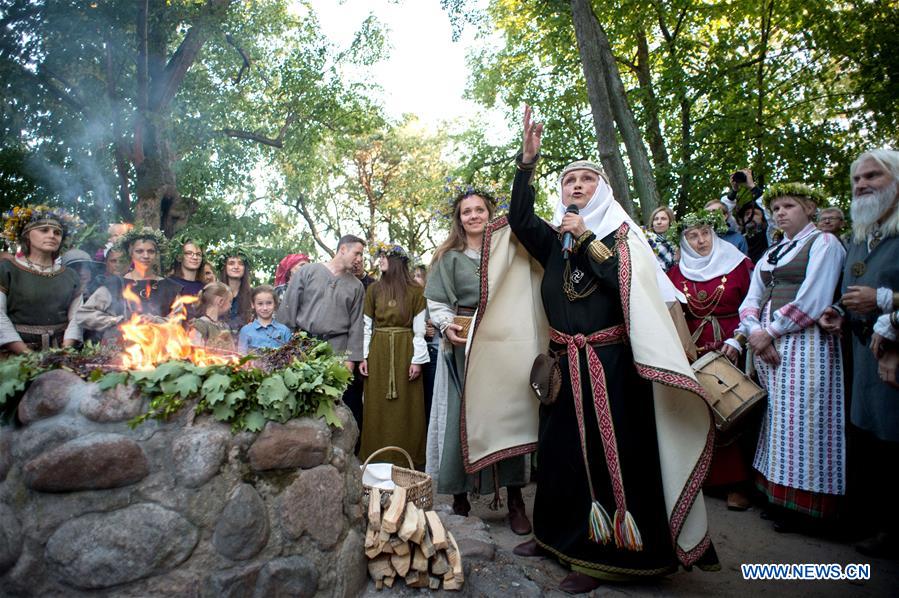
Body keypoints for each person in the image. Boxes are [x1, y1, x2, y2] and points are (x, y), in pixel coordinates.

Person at [503, 107, 715, 592]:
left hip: (612, 368)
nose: (575, 186)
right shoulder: (553, 241)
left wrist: (588, 239)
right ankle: (554, 535)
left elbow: (625, 286)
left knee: (606, 460)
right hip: (562, 364)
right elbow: (518, 218)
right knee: (558, 456)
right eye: (569, 181)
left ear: (603, 189)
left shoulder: (623, 237)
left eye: (585, 180)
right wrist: (527, 165)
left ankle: (601, 558)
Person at [722, 182, 846, 533]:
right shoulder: (776, 250)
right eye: (776, 208)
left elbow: (814, 296)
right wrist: (750, 328)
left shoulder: (824, 244)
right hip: (768, 346)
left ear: (809, 208)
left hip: (806, 343)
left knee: (808, 422)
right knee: (780, 422)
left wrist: (769, 332)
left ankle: (811, 509)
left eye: (788, 206)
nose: (779, 213)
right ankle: (780, 498)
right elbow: (752, 295)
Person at [424, 180, 532, 535]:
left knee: (508, 416)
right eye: (466, 211)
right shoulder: (448, 258)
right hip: (464, 347)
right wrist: (444, 325)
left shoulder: (509, 251)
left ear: (490, 214)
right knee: (462, 418)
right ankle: (460, 499)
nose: (473, 216)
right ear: (459, 218)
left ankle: (514, 498)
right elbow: (437, 302)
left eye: (479, 210)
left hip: (503, 346)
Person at [819, 149, 899, 556]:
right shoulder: (864, 235)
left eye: (873, 176)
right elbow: (850, 292)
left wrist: (887, 302)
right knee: (870, 439)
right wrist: (837, 310)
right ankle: (873, 522)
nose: (862, 184)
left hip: (893, 354)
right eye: (857, 179)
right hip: (860, 352)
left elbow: (879, 296)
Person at [667, 210, 755, 510]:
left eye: (705, 233)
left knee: (732, 409)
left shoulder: (739, 264)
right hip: (693, 347)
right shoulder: (676, 273)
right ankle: (703, 477)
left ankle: (738, 483)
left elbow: (755, 304)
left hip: (731, 345)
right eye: (692, 235)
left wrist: (739, 340)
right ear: (684, 240)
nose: (700, 240)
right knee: (698, 411)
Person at [358, 243, 428, 468]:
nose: (380, 261)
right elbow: (366, 325)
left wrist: (417, 360)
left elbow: (419, 330)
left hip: (405, 350)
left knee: (408, 405)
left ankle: (408, 460)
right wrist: (364, 357)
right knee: (376, 404)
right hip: (379, 352)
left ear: (397, 261)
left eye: (384, 257)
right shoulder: (374, 290)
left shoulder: (416, 291)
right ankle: (376, 459)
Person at [275, 234, 366, 373]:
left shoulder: (356, 286)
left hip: (336, 351)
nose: (359, 259)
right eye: (357, 253)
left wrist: (350, 359)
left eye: (361, 255)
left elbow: (356, 325)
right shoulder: (308, 271)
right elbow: (288, 310)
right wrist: (284, 347)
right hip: (304, 346)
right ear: (343, 249)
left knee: (333, 394)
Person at [0, 205, 84, 353]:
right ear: (27, 235)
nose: (52, 235)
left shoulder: (70, 275)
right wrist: (26, 354)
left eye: (57, 233)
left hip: (61, 354)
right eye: (44, 230)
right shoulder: (7, 269)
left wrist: (65, 351)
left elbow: (77, 318)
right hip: (15, 358)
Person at [76, 227, 182, 341]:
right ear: (131, 253)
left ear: (156, 254)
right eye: (139, 251)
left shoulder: (170, 287)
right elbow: (84, 315)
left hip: (157, 351)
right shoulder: (114, 284)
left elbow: (177, 323)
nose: (145, 256)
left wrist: (155, 321)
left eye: (150, 251)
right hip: (118, 352)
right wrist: (118, 321)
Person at [413, 263, 439, 425]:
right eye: (412, 276)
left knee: (430, 396)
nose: (415, 279)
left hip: (433, 352)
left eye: (418, 276)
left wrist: (433, 324)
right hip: (415, 353)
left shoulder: (432, 298)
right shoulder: (412, 299)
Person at [238, 285, 292, 354]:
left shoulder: (284, 330)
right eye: (260, 304)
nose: (265, 308)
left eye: (269, 303)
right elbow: (241, 358)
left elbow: (290, 357)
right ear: (253, 305)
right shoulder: (246, 331)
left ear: (275, 303)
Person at [188, 282, 235, 352]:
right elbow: (195, 352)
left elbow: (232, 352)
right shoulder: (200, 325)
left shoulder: (225, 326)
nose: (231, 306)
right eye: (230, 302)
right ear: (220, 301)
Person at [217, 249, 254, 333]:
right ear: (224, 267)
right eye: (231, 263)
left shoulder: (253, 295)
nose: (236, 267)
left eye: (240, 264)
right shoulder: (215, 293)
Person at [643, 206, 677, 272]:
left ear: (670, 222)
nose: (659, 222)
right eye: (656, 219)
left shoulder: (676, 243)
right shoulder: (644, 239)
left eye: (663, 219)